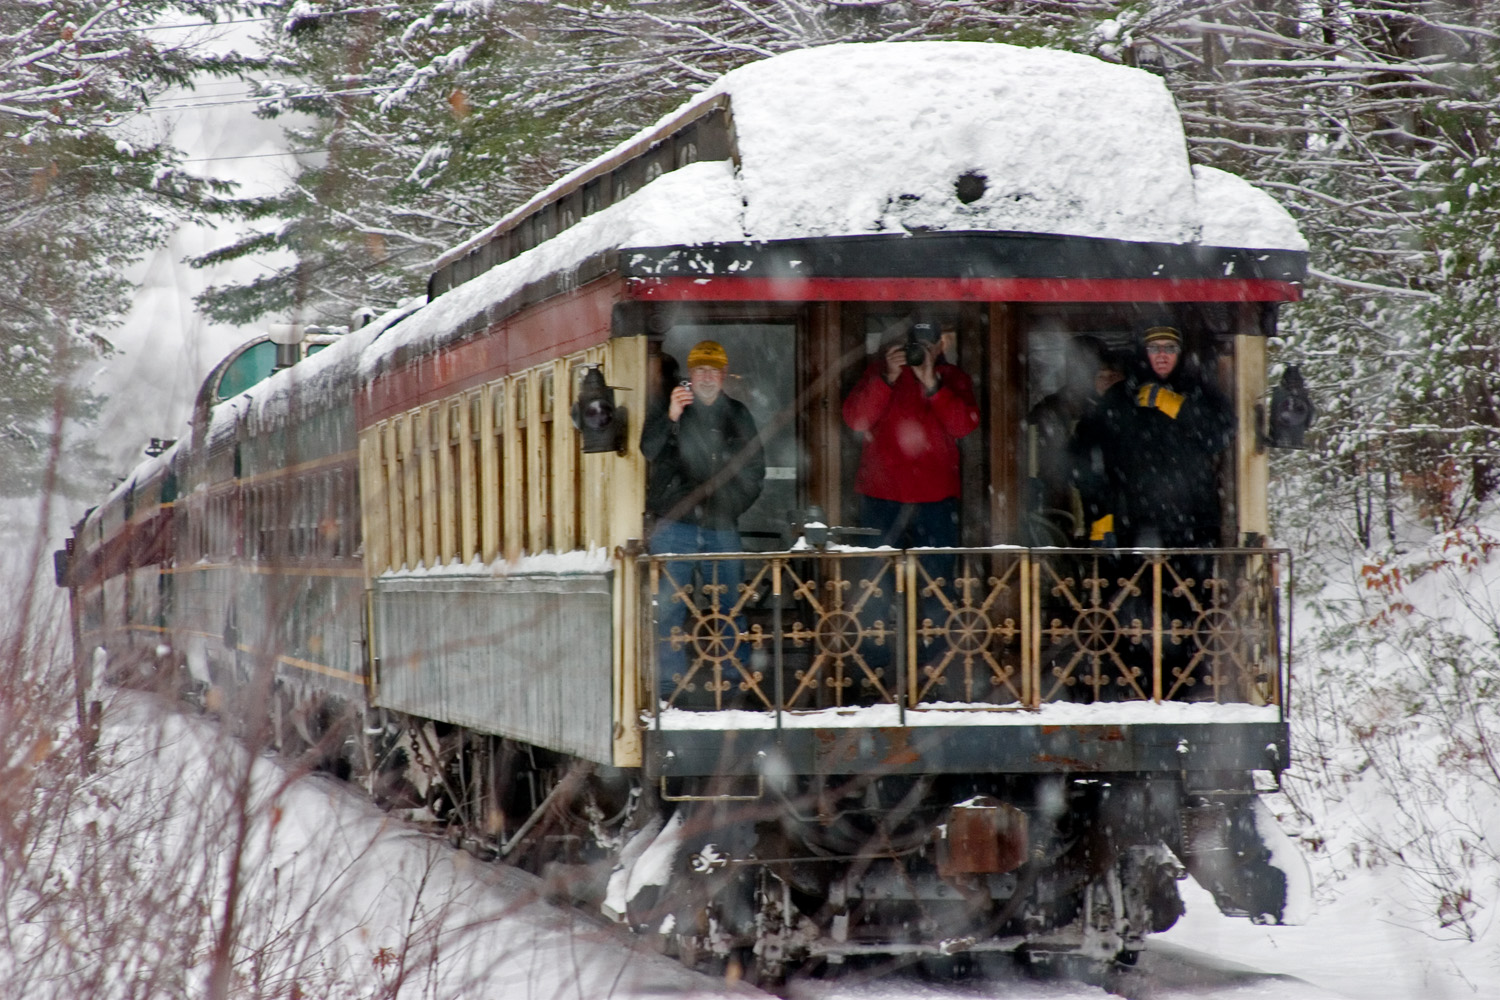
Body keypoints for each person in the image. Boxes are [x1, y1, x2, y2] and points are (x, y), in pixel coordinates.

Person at [639, 340, 765, 701]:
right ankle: (668, 688)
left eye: (713, 370)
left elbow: (755, 470)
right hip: (674, 524)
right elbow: (648, 450)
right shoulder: (670, 408)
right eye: (700, 370)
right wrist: (671, 417)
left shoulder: (738, 415)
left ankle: (734, 682)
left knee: (730, 607)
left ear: (723, 375)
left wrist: (727, 507)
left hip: (720, 526)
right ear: (689, 375)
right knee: (670, 607)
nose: (707, 377)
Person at [842, 321, 980, 550]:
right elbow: (857, 421)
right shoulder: (879, 372)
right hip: (881, 495)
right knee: (877, 577)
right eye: (916, 345)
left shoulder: (952, 377)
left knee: (935, 580)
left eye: (927, 345)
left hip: (936, 498)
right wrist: (888, 378)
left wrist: (932, 385)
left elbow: (963, 426)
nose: (921, 352)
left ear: (939, 348)